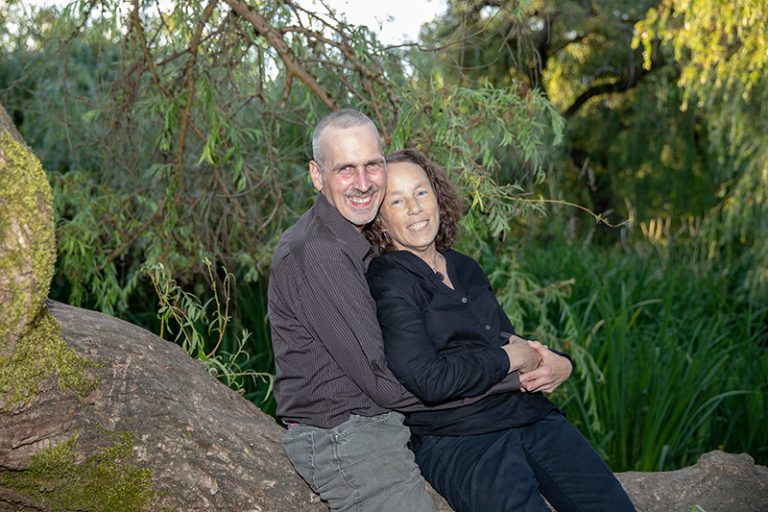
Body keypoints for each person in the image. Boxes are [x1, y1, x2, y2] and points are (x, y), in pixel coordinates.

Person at [267, 110, 524, 512]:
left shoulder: (360, 241)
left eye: (372, 164)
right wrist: (511, 373)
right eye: (346, 170)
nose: (364, 182)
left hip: (393, 420)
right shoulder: (319, 254)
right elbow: (382, 382)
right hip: (346, 435)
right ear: (317, 176)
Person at [364, 149, 637, 512]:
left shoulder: (466, 267)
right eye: (396, 200)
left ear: (437, 196)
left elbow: (507, 341)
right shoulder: (389, 279)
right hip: (458, 435)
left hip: (527, 413)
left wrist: (558, 363)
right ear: (381, 219)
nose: (414, 207)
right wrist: (510, 357)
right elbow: (430, 379)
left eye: (421, 192)